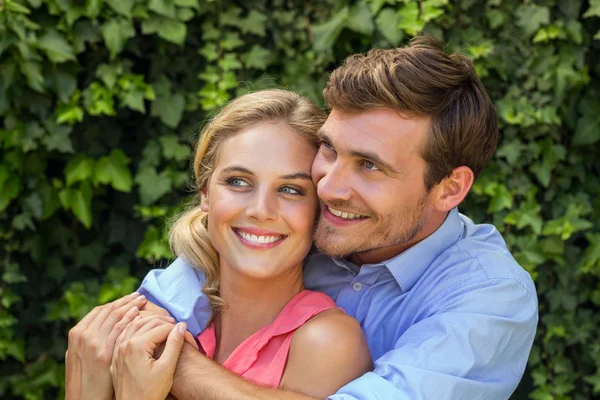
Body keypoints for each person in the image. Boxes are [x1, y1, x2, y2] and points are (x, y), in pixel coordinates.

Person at [130, 36, 538, 399]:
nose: (327, 187)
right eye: (329, 148)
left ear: (449, 188)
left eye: (369, 166)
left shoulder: (490, 298)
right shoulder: (302, 222)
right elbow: (171, 294)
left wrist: (172, 361)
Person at [66, 90, 373, 400]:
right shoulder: (153, 321)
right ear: (205, 193)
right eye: (238, 182)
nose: (260, 210)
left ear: (319, 208)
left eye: (291, 189)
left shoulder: (326, 342)